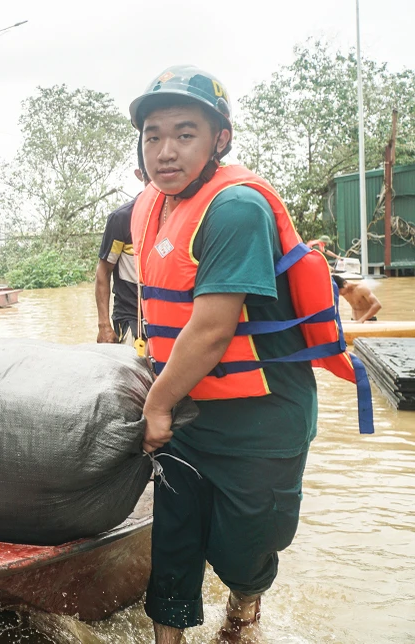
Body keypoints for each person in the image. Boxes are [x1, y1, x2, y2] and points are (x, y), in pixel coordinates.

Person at [128, 66, 368, 643]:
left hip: (258, 415)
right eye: (153, 134)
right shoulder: (148, 207)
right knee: (176, 542)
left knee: (242, 551)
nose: (165, 150)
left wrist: (156, 406)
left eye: (185, 133)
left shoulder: (235, 208)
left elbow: (212, 330)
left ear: (220, 139)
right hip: (187, 409)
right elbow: (158, 310)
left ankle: (242, 615)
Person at [96, 153, 147, 344]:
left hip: (168, 316)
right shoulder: (122, 219)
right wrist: (104, 325)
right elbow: (103, 271)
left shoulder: (178, 215)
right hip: (131, 317)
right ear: (139, 174)